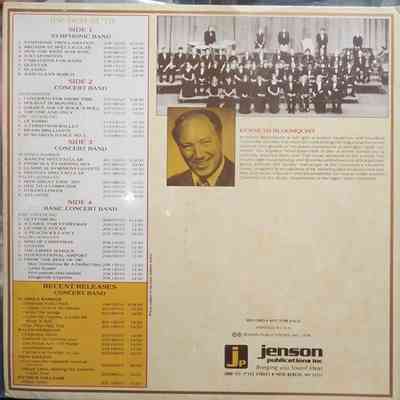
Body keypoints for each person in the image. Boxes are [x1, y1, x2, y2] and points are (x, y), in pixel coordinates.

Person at [167, 109, 235, 187]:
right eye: (187, 146)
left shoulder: (238, 177)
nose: (198, 155)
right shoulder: (172, 183)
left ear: (220, 138)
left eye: (205, 142)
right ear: (179, 147)